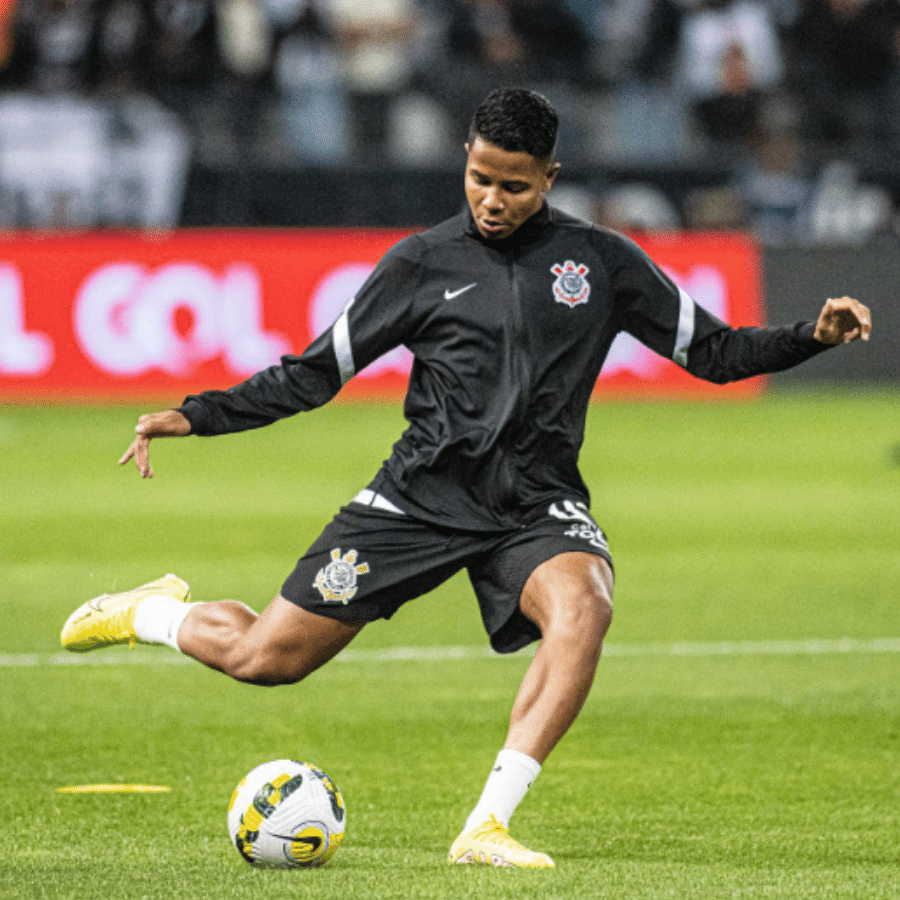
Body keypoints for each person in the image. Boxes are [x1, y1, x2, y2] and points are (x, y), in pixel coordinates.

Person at [60, 87, 872, 869]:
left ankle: (487, 824)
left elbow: (718, 353)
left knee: (585, 604)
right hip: (419, 498)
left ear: (549, 178)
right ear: (465, 161)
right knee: (266, 660)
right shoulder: (420, 264)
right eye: (480, 178)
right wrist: (196, 415)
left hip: (535, 503)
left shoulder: (601, 262)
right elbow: (313, 374)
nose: (492, 198)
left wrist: (813, 335)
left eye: (514, 185)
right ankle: (156, 615)